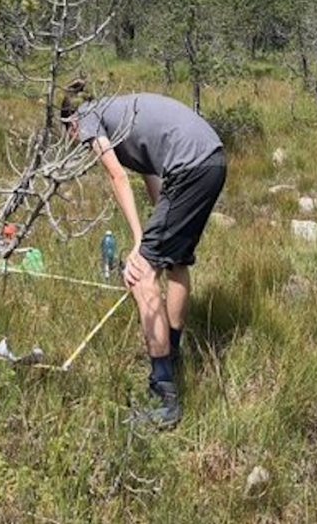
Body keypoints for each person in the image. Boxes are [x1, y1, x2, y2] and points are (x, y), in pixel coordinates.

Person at [61, 82, 227, 430]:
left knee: (140, 274)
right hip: (212, 159)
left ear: (70, 123)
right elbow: (149, 170)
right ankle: (173, 353)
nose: (76, 143)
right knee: (177, 259)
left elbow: (117, 176)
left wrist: (141, 244)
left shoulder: (88, 118)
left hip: (189, 167)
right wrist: (158, 224)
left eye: (70, 136)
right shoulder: (118, 111)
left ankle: (163, 397)